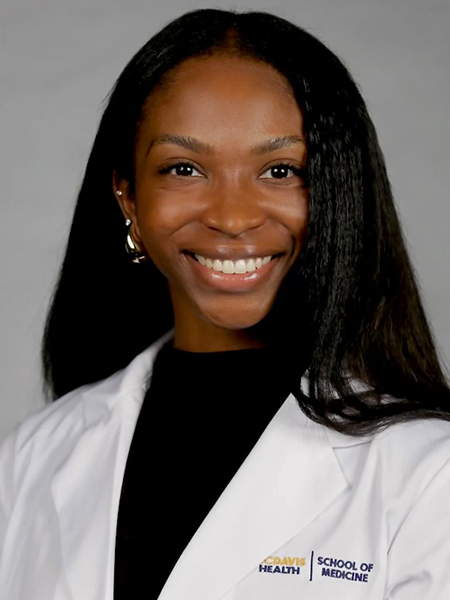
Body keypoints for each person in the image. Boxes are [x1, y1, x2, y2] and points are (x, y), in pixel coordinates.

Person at [1, 7, 449, 600]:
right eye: (184, 168)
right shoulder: (33, 456)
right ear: (128, 196)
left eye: (281, 170)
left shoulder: (429, 473)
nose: (232, 218)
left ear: (336, 191)